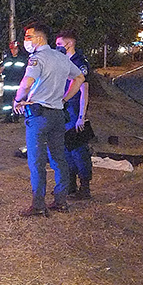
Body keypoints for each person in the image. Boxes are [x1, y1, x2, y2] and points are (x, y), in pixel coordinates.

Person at [13, 22, 85, 217]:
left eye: (28, 37)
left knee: (37, 161)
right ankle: (61, 201)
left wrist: (18, 100)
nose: (26, 41)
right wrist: (65, 99)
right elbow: (79, 78)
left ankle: (38, 205)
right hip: (57, 115)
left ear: (39, 38)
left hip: (39, 116)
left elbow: (26, 83)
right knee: (59, 159)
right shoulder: (61, 58)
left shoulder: (37, 59)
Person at [56, 30, 92, 200]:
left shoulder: (79, 63)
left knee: (78, 150)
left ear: (69, 44)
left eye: (59, 44)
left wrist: (81, 116)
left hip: (74, 110)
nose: (57, 47)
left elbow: (84, 90)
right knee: (65, 149)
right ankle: (70, 185)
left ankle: (84, 187)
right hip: (63, 109)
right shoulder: (62, 62)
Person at [0, 41, 30, 122]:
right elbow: (2, 69)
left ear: (18, 49)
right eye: (12, 49)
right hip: (8, 84)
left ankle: (16, 117)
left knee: (18, 101)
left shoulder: (23, 59)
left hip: (18, 84)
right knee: (7, 102)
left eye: (15, 49)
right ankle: (7, 117)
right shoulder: (7, 59)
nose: (13, 51)